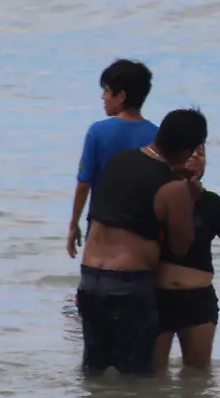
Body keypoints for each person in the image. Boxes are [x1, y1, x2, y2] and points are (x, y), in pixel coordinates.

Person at [77, 108, 204, 376]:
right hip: (129, 285)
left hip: (90, 278)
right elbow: (182, 246)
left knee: (94, 372)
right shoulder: (174, 188)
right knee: (135, 379)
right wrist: (190, 192)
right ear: (189, 150)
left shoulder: (118, 161)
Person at [154, 144, 220, 371]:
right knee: (153, 375)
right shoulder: (160, 196)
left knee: (198, 377)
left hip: (198, 298)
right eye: (192, 150)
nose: (196, 155)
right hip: (157, 296)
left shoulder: (211, 203)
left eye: (202, 153)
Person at [66, 60, 156, 259]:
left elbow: (84, 184)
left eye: (107, 91)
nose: (103, 97)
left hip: (102, 230)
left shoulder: (98, 132)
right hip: (144, 232)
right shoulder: (157, 135)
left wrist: (73, 225)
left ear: (121, 96)